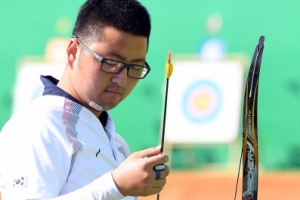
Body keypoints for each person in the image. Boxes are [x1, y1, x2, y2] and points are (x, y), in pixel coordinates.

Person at [0, 0, 170, 199]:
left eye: (134, 67)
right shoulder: (39, 125)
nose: (121, 79)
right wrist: (115, 186)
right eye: (111, 62)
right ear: (73, 52)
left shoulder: (117, 144)